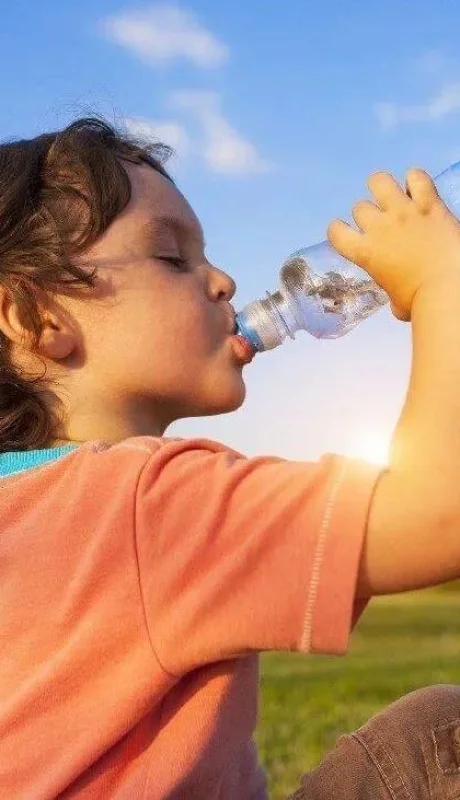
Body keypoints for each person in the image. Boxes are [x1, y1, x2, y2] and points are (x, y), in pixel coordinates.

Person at [1, 117, 460, 800]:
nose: (222, 281)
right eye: (172, 257)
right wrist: (441, 281)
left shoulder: (31, 508)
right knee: (440, 735)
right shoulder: (142, 507)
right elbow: (441, 514)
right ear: (39, 321)